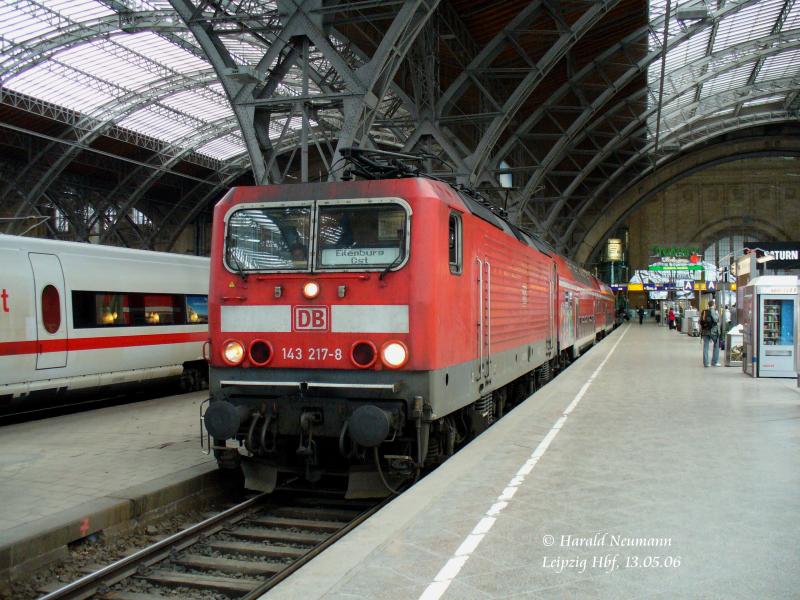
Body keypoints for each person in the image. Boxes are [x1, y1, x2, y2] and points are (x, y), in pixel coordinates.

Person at [700, 299, 721, 367]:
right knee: (716, 345)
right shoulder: (713, 311)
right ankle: (714, 362)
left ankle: (706, 363)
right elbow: (716, 319)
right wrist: (717, 315)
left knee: (706, 347)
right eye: (715, 304)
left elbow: (700, 321)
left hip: (705, 331)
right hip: (713, 332)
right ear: (713, 305)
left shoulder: (704, 312)